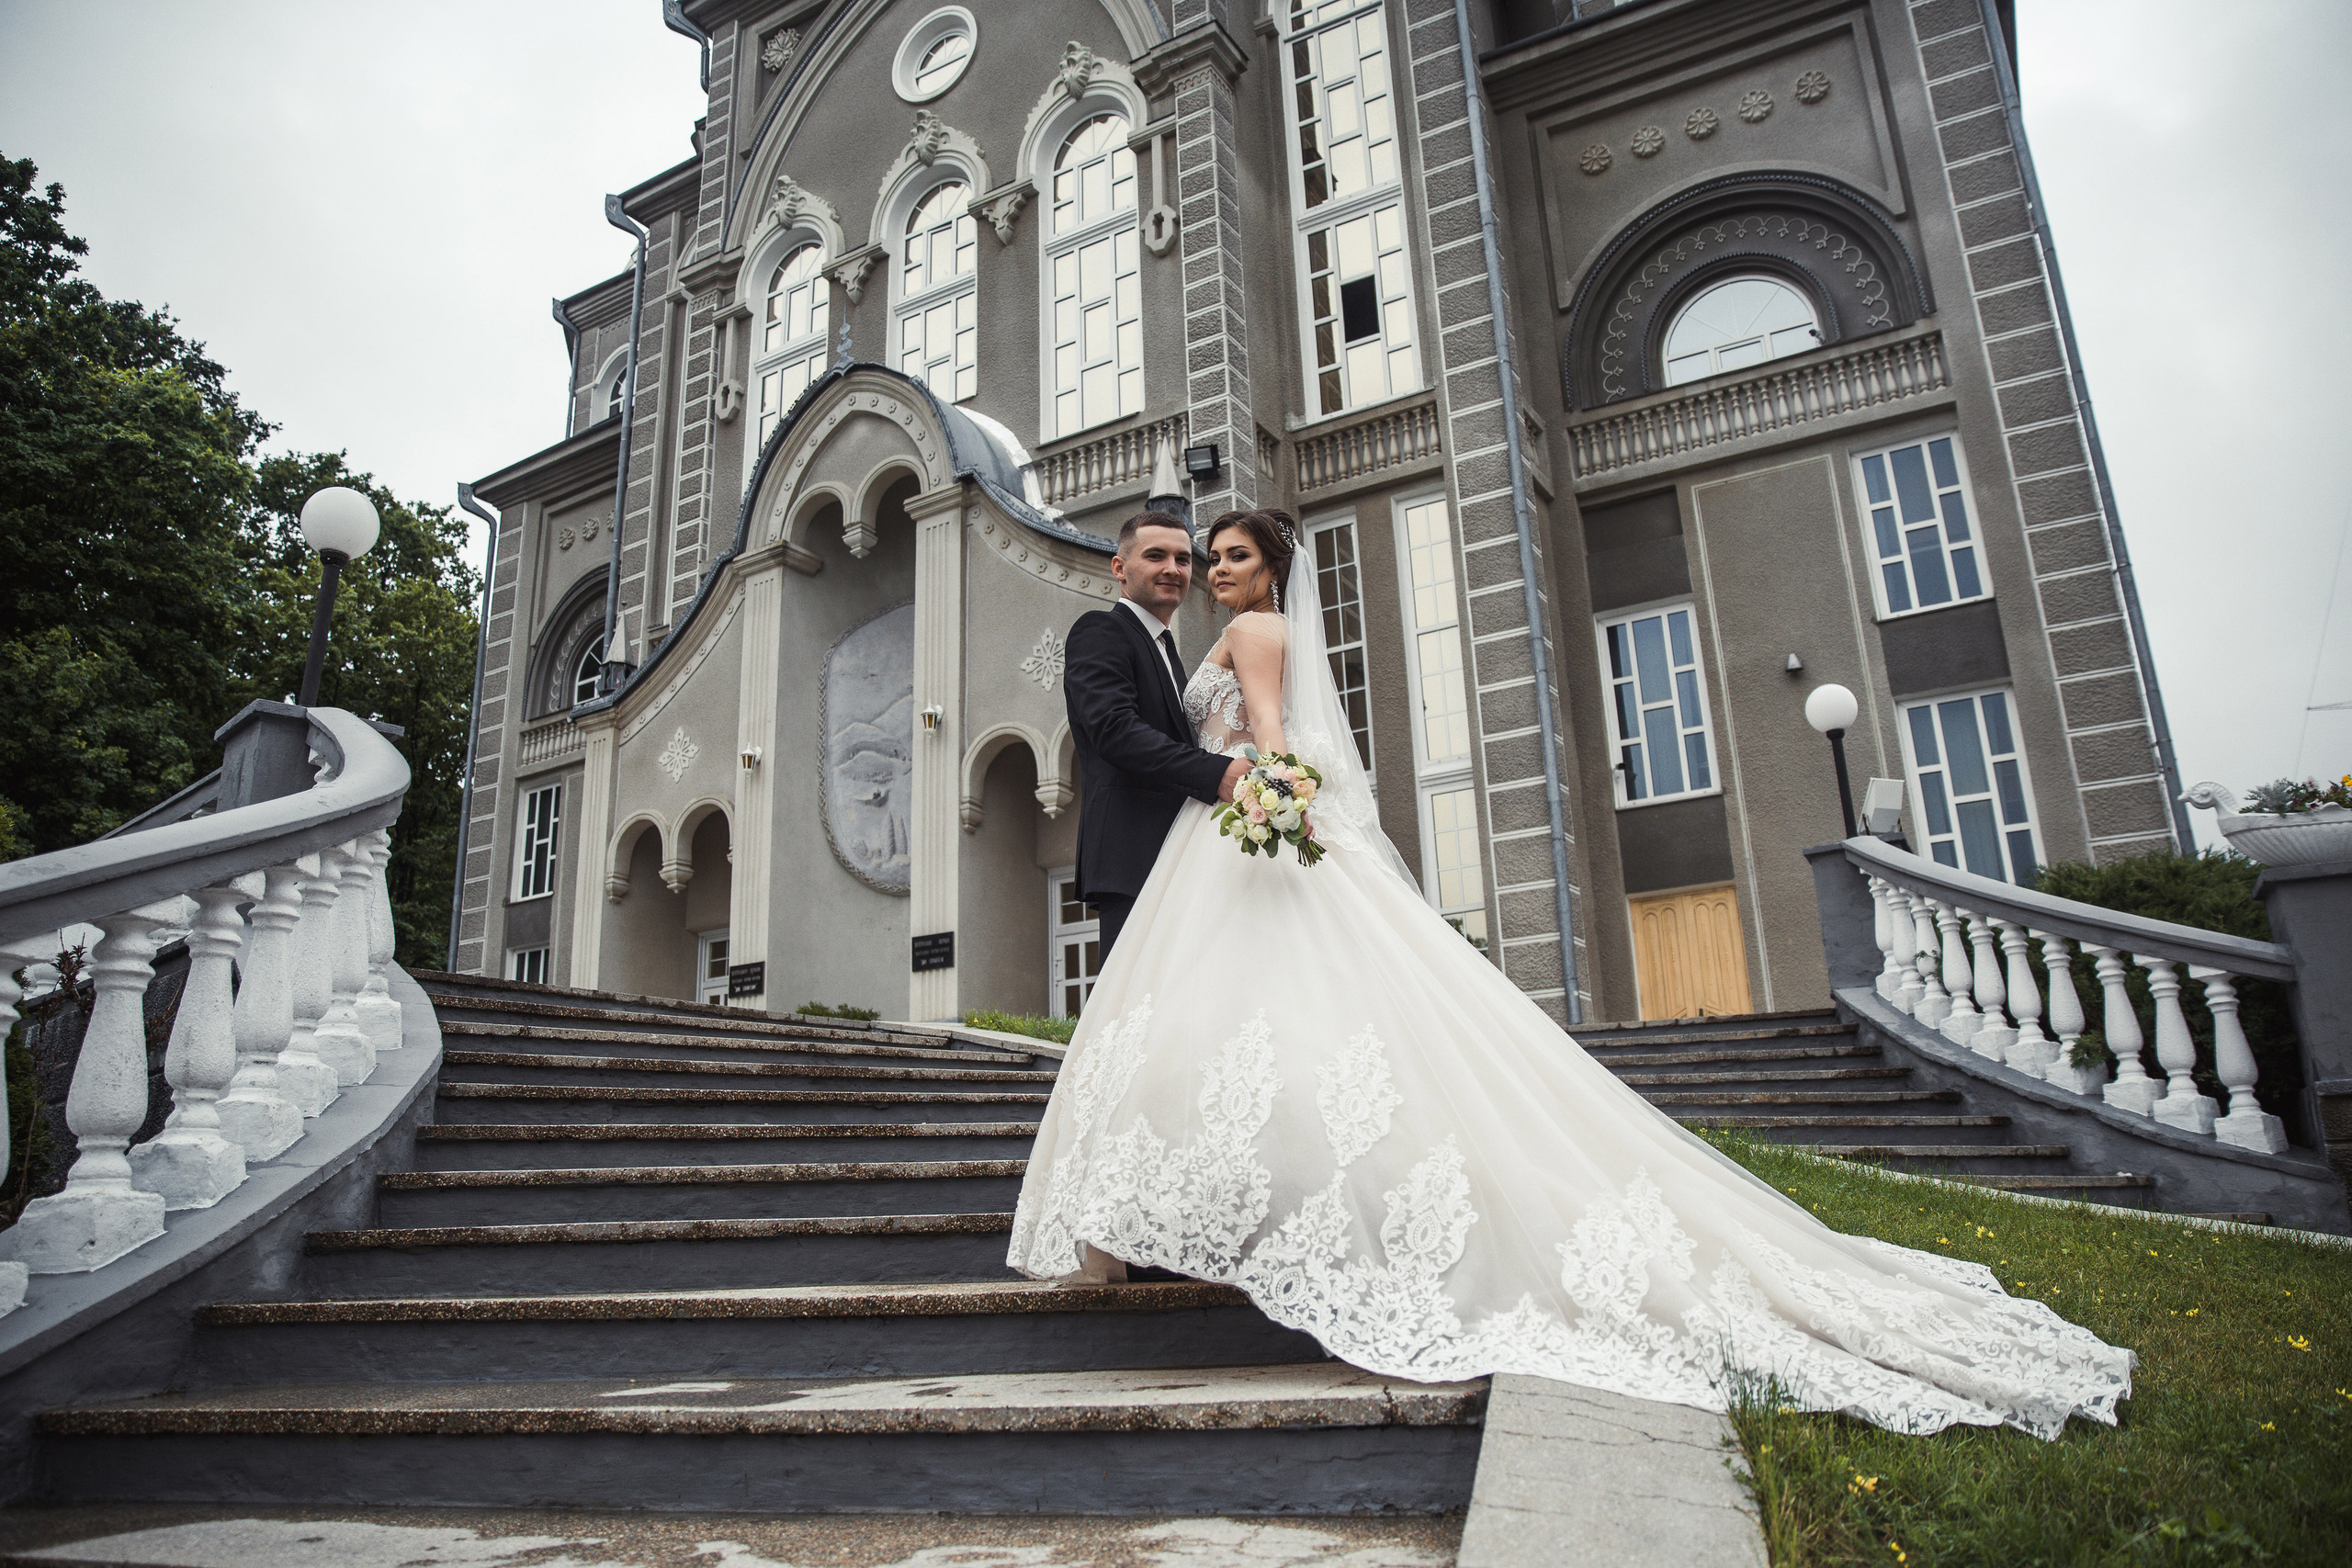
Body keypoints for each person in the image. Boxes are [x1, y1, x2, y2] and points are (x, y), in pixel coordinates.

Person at [1009, 506, 2135, 1441]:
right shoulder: (1147, 638)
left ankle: (1162, 1232)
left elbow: (1266, 741)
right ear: (1132, 567)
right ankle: (1165, 1228)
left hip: (1233, 831)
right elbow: (1137, 734)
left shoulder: (1250, 638)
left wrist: (1247, 785)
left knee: (1226, 1033)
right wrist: (1237, 783)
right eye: (1190, 558)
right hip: (1198, 848)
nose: (1204, 570)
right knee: (1203, 1037)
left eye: (1223, 556)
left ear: (1270, 571)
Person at [1062, 510, 1250, 959]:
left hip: (1180, 854)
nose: (1173, 569)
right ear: (1120, 568)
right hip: (1132, 853)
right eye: (1156, 556)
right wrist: (1217, 773)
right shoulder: (1100, 630)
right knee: (1131, 1010)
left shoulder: (1167, 651)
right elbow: (1114, 729)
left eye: (1183, 559)